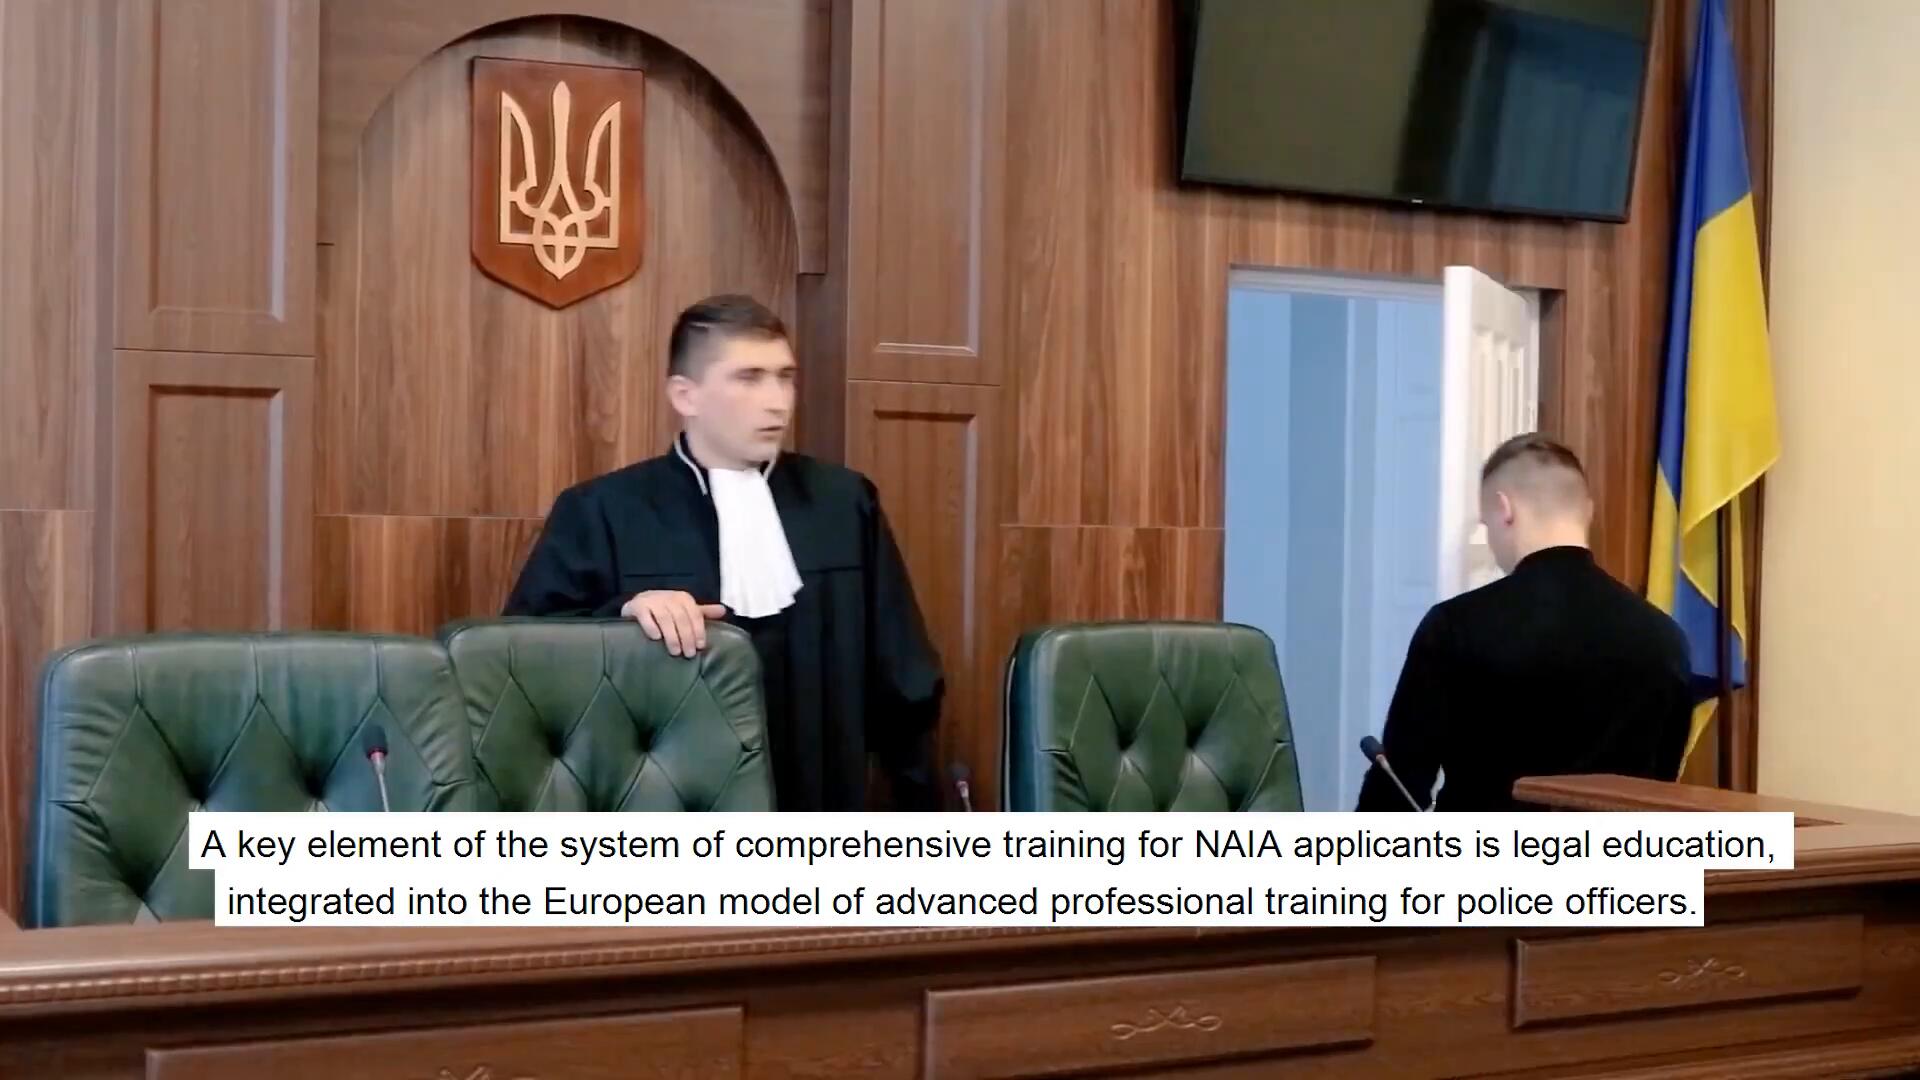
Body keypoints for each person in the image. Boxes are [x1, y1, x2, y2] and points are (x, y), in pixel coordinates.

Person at [502, 294, 943, 811]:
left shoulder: (844, 504)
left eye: (785, 377)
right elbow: (520, 658)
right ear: (685, 395)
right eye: (749, 378)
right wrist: (621, 617)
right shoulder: (601, 510)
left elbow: (903, 679)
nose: (777, 401)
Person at [1356, 434, 1693, 812]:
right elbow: (1660, 789)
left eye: (1486, 525)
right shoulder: (1667, 639)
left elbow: (1398, 790)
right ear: (1587, 511)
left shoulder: (1456, 626)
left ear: (1504, 509)